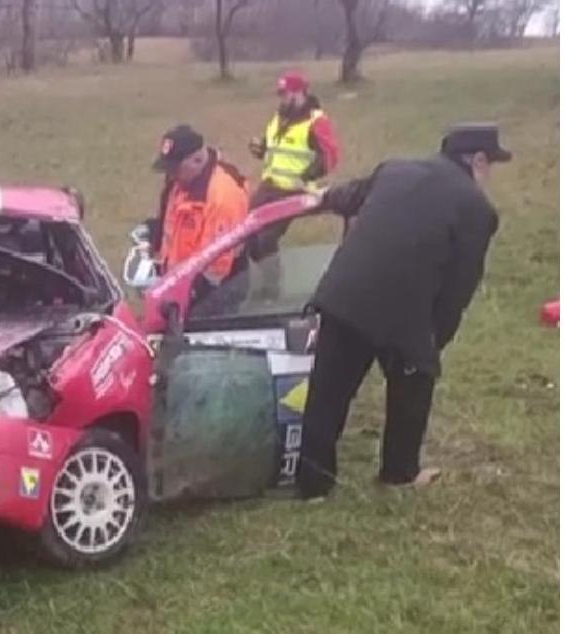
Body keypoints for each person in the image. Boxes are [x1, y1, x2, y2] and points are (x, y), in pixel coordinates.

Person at [296, 123, 510, 500]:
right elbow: (458, 288)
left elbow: (349, 195)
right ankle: (399, 474)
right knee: (415, 383)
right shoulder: (477, 208)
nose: (489, 174)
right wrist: (432, 342)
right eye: (490, 164)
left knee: (327, 391)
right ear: (477, 160)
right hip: (403, 310)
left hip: (343, 293)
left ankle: (313, 482)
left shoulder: (395, 169)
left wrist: (323, 196)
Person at [247, 70, 341, 301]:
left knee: (266, 238)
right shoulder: (280, 117)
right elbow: (271, 146)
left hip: (293, 190)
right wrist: (260, 147)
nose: (281, 99)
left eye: (285, 93)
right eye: (280, 94)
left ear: (299, 92)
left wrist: (309, 173)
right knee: (246, 234)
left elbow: (330, 156)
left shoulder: (317, 121)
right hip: (270, 185)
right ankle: (257, 284)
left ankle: (271, 291)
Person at [148, 124, 251, 315]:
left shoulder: (222, 197)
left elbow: (215, 269)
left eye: (175, 168)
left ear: (197, 160)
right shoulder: (182, 183)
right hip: (181, 285)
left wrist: (183, 297)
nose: (170, 175)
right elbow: (173, 227)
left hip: (215, 295)